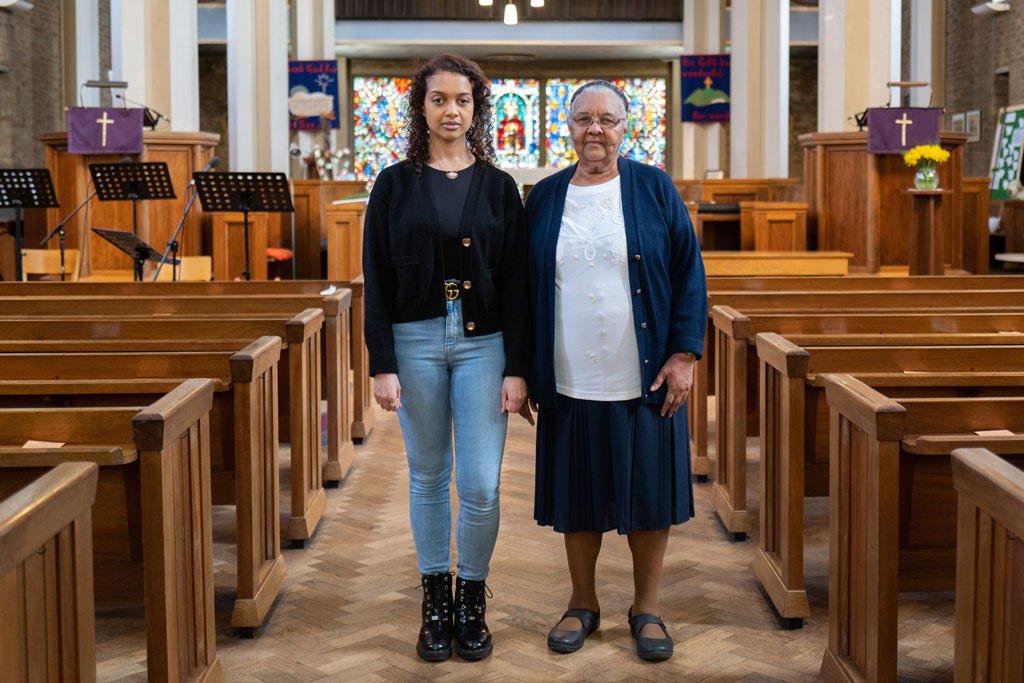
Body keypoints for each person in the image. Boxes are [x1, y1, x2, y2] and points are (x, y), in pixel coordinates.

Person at [524, 80, 707, 662]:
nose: (595, 130)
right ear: (568, 127)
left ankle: (646, 607)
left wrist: (683, 354)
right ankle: (582, 602)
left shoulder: (653, 188)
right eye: (583, 119)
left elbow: (688, 272)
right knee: (578, 495)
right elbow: (523, 289)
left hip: (646, 373)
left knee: (649, 495)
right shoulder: (545, 195)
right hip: (569, 372)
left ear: (627, 126)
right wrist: (524, 368)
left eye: (607, 119)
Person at [362, 53, 531, 663]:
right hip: (415, 340)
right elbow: (375, 280)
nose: (451, 110)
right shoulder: (393, 183)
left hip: (485, 343)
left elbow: (516, 284)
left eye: (462, 100)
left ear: (477, 108)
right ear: (421, 107)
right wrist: (382, 361)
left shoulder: (499, 186)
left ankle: (473, 599)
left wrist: (519, 367)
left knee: (481, 484)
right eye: (439, 99)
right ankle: (436, 602)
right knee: (429, 476)